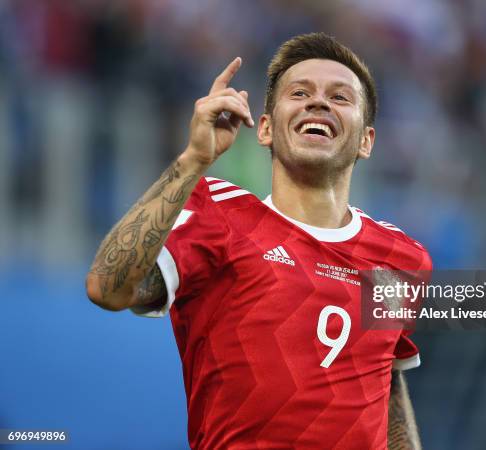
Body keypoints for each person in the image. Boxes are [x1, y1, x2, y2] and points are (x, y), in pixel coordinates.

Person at [86, 32, 431, 450]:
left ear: (366, 141)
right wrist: (193, 159)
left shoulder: (399, 256)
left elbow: (387, 387)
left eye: (340, 97)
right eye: (300, 92)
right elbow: (108, 288)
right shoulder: (220, 213)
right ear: (265, 129)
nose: (317, 102)